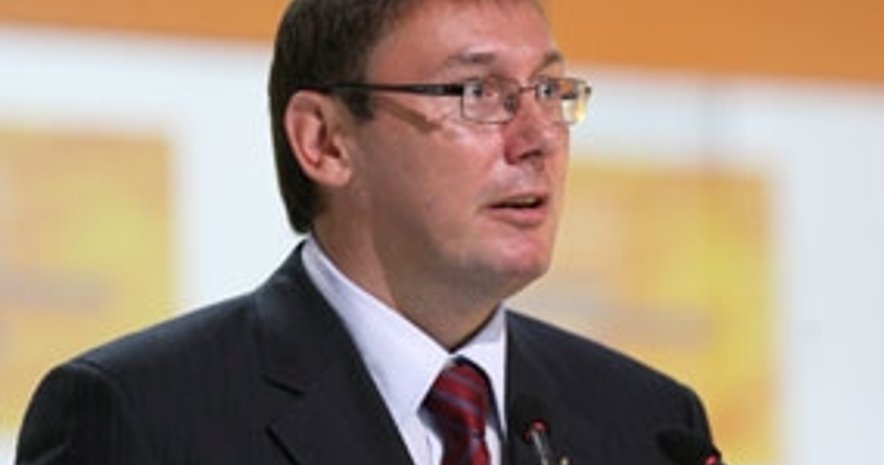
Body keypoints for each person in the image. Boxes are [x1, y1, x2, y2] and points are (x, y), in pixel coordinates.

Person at [16, 0, 713, 464]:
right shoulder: (141, 418)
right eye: (478, 93)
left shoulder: (650, 425)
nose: (538, 139)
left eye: (551, 92)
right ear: (324, 141)